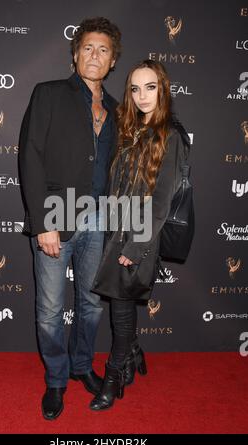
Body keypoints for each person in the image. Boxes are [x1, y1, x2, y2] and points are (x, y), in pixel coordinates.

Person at [18, 17, 121, 420]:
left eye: (104, 50)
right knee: (49, 307)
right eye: (88, 48)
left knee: (93, 305)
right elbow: (30, 157)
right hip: (56, 216)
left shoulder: (116, 109)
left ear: (113, 61)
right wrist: (44, 222)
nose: (95, 56)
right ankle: (57, 379)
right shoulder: (48, 94)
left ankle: (82, 366)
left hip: (101, 219)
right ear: (75, 53)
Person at [90, 59, 190, 411]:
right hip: (116, 230)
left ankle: (114, 374)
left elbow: (161, 202)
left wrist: (135, 246)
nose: (142, 95)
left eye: (151, 87)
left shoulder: (171, 135)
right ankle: (132, 351)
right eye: (135, 88)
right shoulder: (129, 129)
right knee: (123, 300)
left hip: (140, 237)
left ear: (163, 90)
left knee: (120, 306)